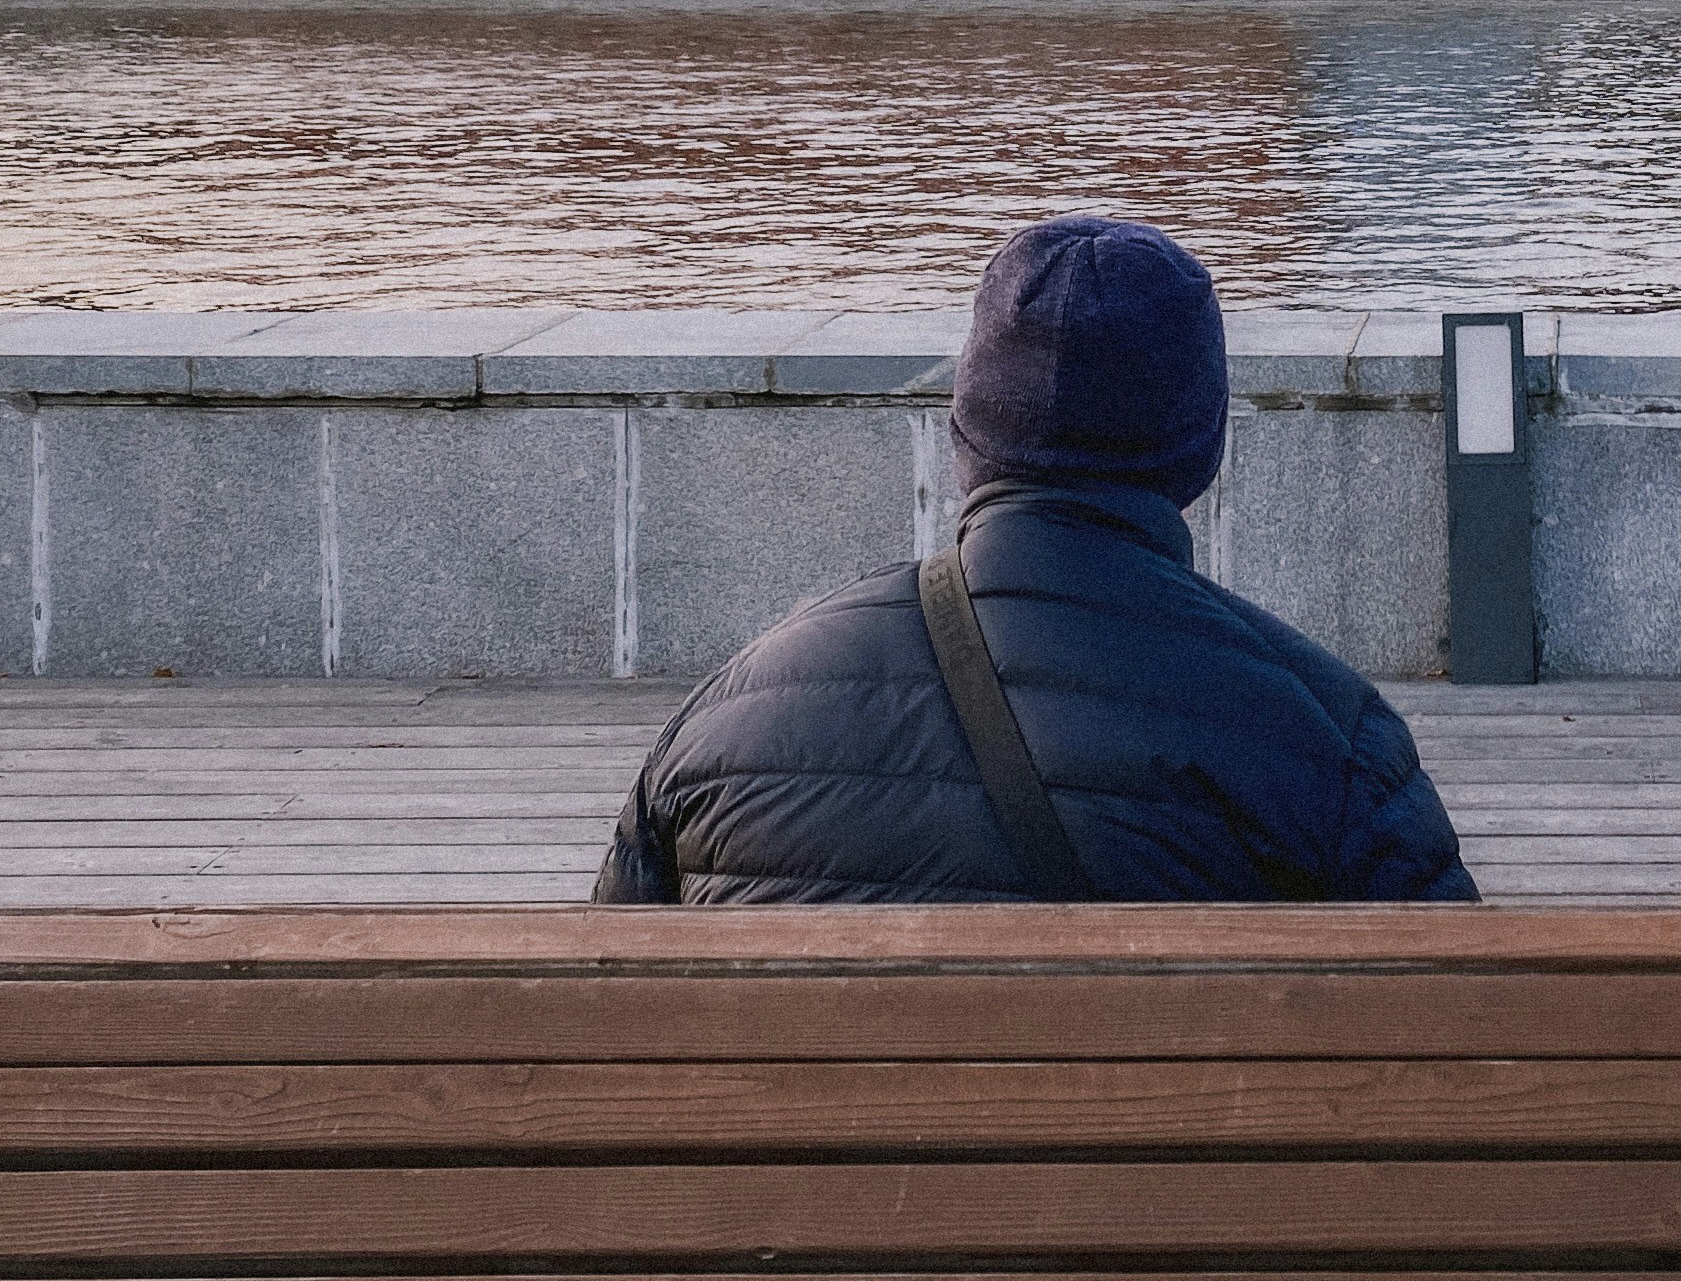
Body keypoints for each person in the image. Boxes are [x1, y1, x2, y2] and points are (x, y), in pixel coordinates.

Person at [596, 215, 1476, 905]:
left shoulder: (725, 721)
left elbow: (609, 1028)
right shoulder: (1328, 738)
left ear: (965, 430)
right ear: (1200, 451)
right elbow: (1459, 1054)